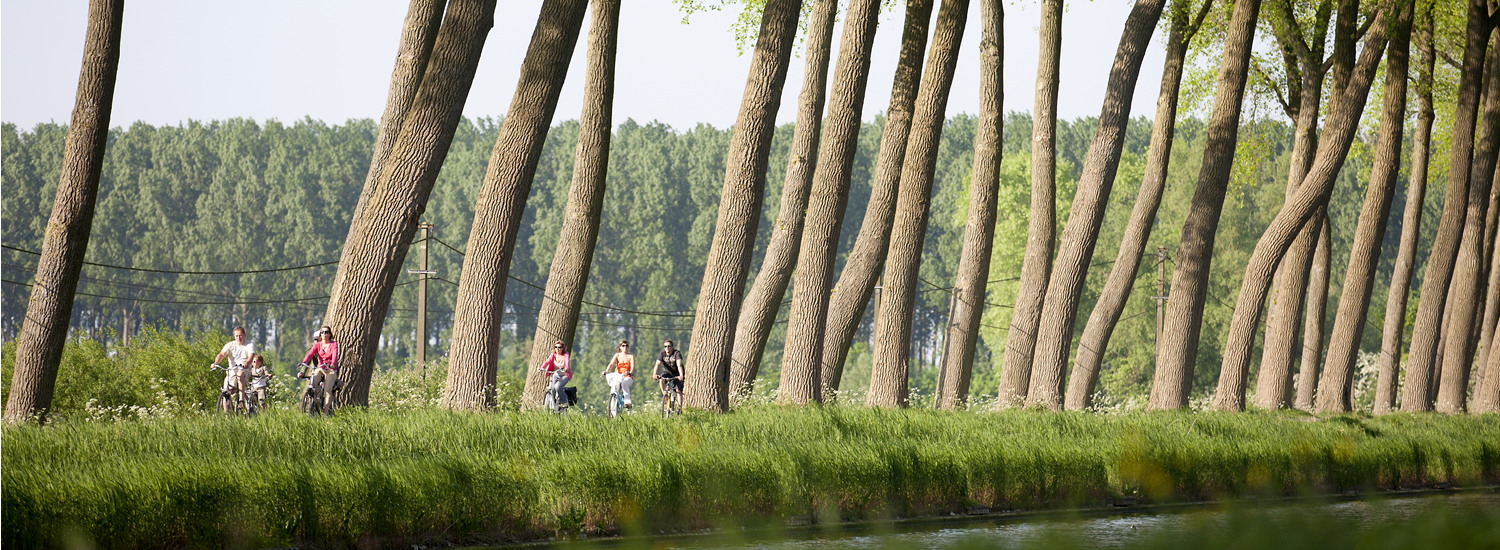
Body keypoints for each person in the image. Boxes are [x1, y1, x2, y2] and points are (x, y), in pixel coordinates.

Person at [299, 326, 340, 412]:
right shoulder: (317, 345)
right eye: (322, 332)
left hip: (330, 369)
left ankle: (325, 413)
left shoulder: (333, 344)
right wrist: (304, 362)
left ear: (329, 334)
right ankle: (314, 403)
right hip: (320, 368)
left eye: (326, 332)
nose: (324, 334)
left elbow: (335, 355)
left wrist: (333, 364)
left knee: (327, 390)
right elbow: (310, 354)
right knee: (312, 384)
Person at [211, 327, 255, 402]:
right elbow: (222, 354)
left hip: (244, 369)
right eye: (236, 336)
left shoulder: (249, 345)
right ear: (234, 336)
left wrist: (247, 363)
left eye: (240, 335)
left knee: (240, 374)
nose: (238, 338)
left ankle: (241, 400)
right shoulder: (230, 345)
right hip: (232, 370)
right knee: (226, 391)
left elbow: (251, 356)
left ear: (244, 335)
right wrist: (216, 363)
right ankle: (226, 412)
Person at [538, 340, 572, 411]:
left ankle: (564, 402)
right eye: (556, 347)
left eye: (559, 347)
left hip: (564, 375)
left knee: (558, 386)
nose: (557, 349)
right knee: (552, 388)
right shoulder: (553, 355)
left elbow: (567, 362)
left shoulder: (565, 354)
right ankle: (553, 403)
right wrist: (542, 367)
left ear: (563, 348)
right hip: (555, 374)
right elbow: (548, 361)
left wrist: (566, 368)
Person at [602, 340, 635, 412]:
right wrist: (606, 371)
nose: (625, 347)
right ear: (620, 347)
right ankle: (612, 408)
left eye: (626, 346)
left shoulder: (630, 356)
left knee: (624, 383)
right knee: (614, 387)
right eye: (623, 346)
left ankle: (627, 402)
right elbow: (611, 364)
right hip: (618, 376)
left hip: (627, 376)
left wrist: (631, 372)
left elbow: (632, 366)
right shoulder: (617, 355)